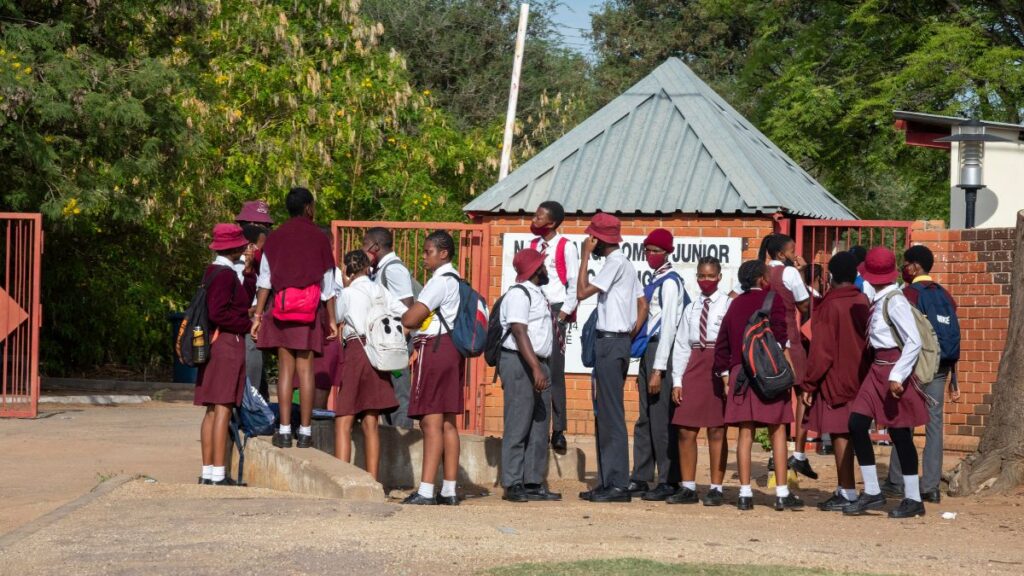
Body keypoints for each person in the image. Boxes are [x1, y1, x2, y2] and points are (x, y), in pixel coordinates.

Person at [843, 247, 930, 519]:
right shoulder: (879, 297)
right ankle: (872, 492)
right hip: (878, 367)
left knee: (900, 433)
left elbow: (914, 341)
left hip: (894, 369)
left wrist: (897, 375)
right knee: (856, 423)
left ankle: (914, 498)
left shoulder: (895, 301)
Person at [251, 187, 339, 449]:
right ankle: (306, 432)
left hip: (282, 309)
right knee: (306, 370)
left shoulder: (274, 238)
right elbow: (328, 285)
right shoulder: (319, 238)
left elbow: (265, 281)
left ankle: (285, 430)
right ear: (309, 207)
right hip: (309, 311)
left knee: (286, 370)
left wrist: (258, 316)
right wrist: (332, 320)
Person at [714, 260, 804, 511]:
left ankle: (744, 494)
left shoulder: (735, 304)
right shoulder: (772, 300)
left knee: (745, 432)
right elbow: (781, 337)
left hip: (740, 373)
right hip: (768, 371)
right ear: (763, 279)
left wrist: (724, 375)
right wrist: (791, 370)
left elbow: (723, 342)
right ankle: (782, 492)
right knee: (777, 430)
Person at [882, 245, 960, 503]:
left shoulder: (907, 294)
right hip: (942, 366)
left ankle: (896, 480)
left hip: (916, 365)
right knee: (934, 424)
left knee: (903, 419)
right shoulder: (945, 295)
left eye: (906, 264)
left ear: (915, 267)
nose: (904, 268)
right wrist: (955, 378)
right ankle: (931, 487)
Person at [576, 213, 646, 503]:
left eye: (593, 237)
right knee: (605, 413)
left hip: (611, 343)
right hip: (616, 342)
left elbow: (581, 292)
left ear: (599, 239)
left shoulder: (615, 262)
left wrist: (583, 258)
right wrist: (630, 333)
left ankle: (617, 484)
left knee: (611, 416)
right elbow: (643, 303)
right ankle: (609, 481)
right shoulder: (624, 264)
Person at [801, 252, 871, 511]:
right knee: (856, 433)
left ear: (830, 276)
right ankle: (856, 488)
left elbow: (822, 351)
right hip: (861, 375)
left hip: (836, 378)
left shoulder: (829, 305)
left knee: (841, 434)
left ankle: (848, 491)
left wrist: (809, 383)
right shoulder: (863, 300)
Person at [400, 231, 464, 505]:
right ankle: (449, 489)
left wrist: (405, 314)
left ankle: (426, 489)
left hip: (435, 348)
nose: (424, 257)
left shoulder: (438, 282)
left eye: (428, 252)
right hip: (453, 349)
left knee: (430, 420)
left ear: (444, 253)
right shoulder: (459, 280)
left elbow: (412, 318)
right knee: (448, 421)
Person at [333, 250, 403, 481]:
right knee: (371, 420)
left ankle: (342, 478)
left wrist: (344, 286)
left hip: (356, 349)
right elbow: (403, 313)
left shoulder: (349, 292)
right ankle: (373, 480)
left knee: (344, 417)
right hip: (379, 353)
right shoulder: (380, 290)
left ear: (347, 271)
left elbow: (336, 316)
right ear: (368, 268)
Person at [196, 224, 257, 485]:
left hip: (213, 343)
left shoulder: (213, 271)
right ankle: (219, 473)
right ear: (233, 248)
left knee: (211, 409)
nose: (245, 248)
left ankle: (208, 472)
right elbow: (218, 313)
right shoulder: (224, 275)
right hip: (226, 344)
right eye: (241, 245)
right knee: (222, 408)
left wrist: (249, 272)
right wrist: (246, 324)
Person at [499, 249, 561, 503]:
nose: (546, 269)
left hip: (539, 363)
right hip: (520, 363)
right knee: (518, 421)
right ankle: (512, 482)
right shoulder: (518, 293)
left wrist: (541, 366)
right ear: (536, 269)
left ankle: (532, 481)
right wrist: (535, 367)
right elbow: (519, 331)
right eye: (543, 266)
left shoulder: (539, 293)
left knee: (538, 423)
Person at [668, 256, 731, 506]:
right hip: (694, 364)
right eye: (701, 276)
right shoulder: (691, 307)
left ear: (719, 277)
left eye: (710, 276)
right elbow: (682, 344)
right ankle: (688, 486)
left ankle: (716, 487)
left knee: (717, 429)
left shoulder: (727, 304)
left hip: (718, 364)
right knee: (685, 428)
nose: (706, 280)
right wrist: (677, 380)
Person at [628, 229, 684, 501]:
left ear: (667, 252)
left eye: (655, 251)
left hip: (662, 352)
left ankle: (668, 479)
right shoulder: (654, 279)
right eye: (647, 251)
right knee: (645, 418)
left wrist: (659, 370)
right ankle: (641, 475)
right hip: (647, 351)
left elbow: (670, 327)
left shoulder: (671, 282)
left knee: (662, 420)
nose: (650, 256)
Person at [764, 234, 816, 480]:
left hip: (764, 342)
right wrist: (802, 273)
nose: (796, 254)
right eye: (793, 250)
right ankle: (798, 455)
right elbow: (804, 306)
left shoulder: (761, 272)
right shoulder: (791, 273)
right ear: (782, 254)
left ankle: (776, 454)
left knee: (776, 397)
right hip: (789, 340)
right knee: (803, 393)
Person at [528, 201, 579, 452]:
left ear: (552, 223)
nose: (534, 220)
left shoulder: (565, 247)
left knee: (555, 371)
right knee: (535, 366)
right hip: (535, 311)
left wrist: (563, 315)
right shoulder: (534, 246)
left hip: (556, 312)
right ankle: (538, 425)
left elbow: (573, 284)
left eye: (539, 217)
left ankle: (558, 429)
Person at [364, 227, 416, 429]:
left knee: (399, 395)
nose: (363, 249)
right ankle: (391, 443)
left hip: (394, 344)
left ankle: (402, 444)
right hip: (385, 344)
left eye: (364, 244)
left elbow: (407, 310)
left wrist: (398, 343)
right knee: (386, 397)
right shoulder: (380, 270)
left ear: (375, 246)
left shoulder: (393, 269)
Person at [236, 201, 274, 400]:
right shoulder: (235, 259)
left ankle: (259, 402)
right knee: (250, 359)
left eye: (266, 227)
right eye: (260, 227)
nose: (265, 232)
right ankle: (251, 404)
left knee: (255, 360)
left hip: (255, 315)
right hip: (240, 319)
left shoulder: (266, 256)